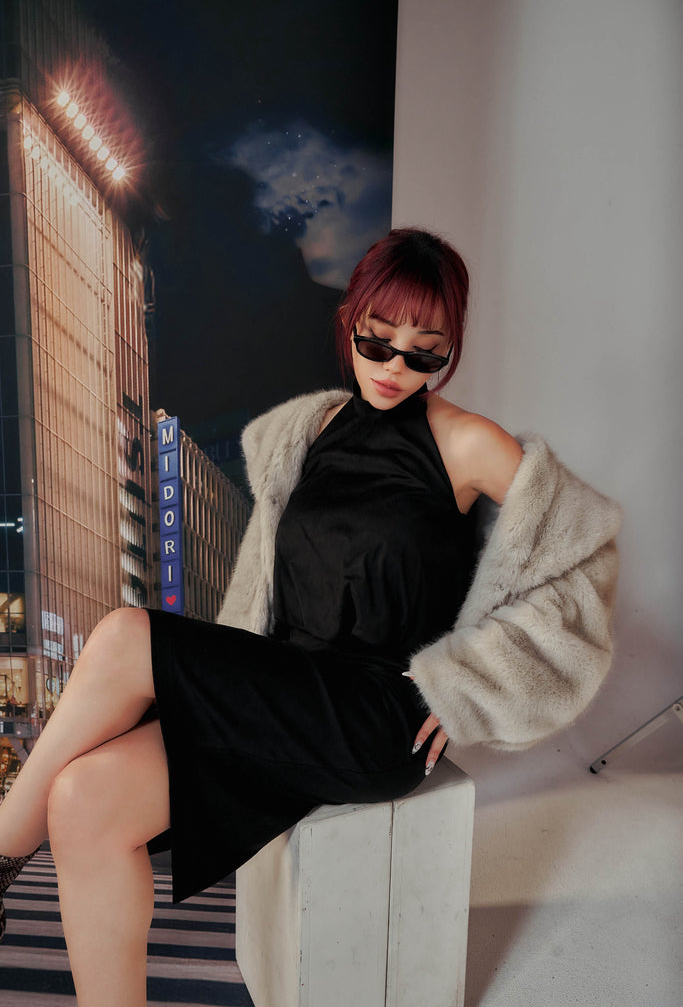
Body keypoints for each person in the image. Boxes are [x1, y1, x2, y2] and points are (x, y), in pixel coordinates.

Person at [0, 228, 621, 1005]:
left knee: (126, 635)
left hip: (373, 714)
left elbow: (582, 555)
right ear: (349, 322)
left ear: (448, 349)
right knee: (82, 799)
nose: (394, 367)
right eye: (377, 341)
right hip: (283, 692)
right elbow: (264, 599)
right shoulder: (301, 435)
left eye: (424, 353)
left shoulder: (468, 443)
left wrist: (467, 681)